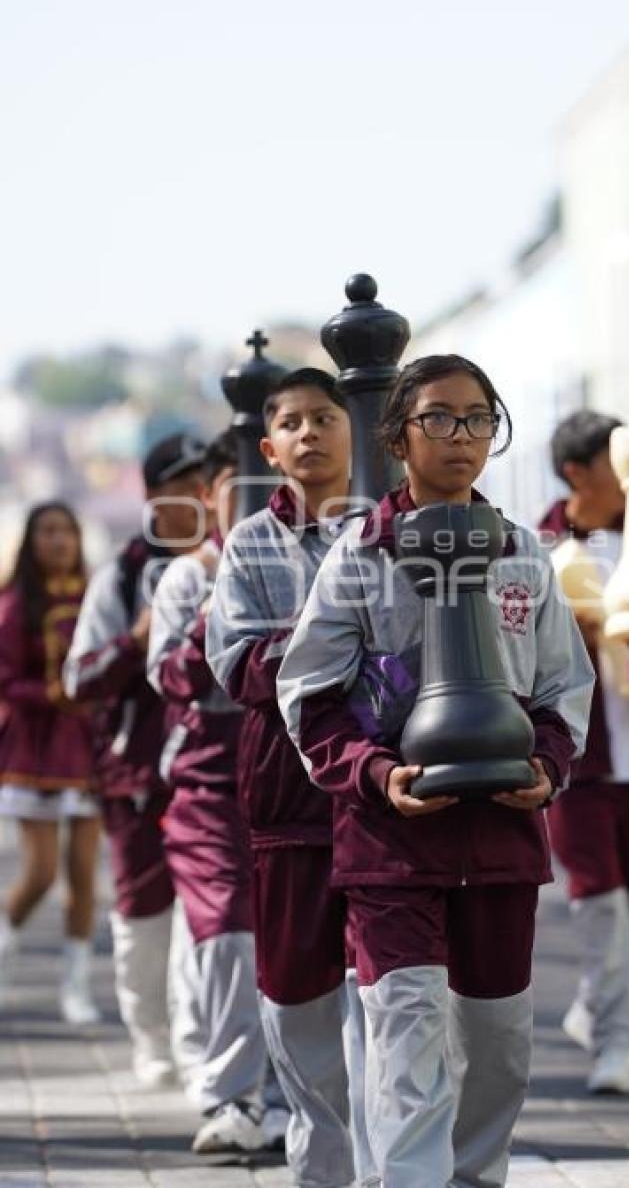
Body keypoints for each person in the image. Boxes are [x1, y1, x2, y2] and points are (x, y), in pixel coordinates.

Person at [277, 354, 594, 1188]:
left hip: (501, 836)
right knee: (403, 1024)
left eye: (479, 419)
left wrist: (548, 764)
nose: (462, 436)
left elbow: (565, 684)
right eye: (440, 418)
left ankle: (474, 1176)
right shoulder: (359, 553)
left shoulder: (525, 552)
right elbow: (309, 693)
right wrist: (375, 774)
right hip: (390, 839)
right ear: (397, 436)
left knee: (499, 1045)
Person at [206, 368, 372, 1188]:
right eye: (293, 423)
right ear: (267, 448)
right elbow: (236, 668)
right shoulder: (247, 543)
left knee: (390, 995)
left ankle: (390, 1166)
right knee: (297, 993)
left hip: (385, 797)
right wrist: (346, 652)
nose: (310, 434)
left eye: (326, 417)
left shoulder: (395, 530)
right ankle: (322, 1166)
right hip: (288, 797)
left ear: (361, 431)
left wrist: (307, 655)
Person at [148, 429, 285, 1155]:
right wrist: (219, 608)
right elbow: (171, 677)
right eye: (241, 486)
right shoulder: (184, 578)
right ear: (211, 495)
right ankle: (232, 1092)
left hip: (288, 776)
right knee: (228, 930)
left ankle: (294, 1092)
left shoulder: (305, 561)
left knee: (295, 935)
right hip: (205, 784)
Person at [64, 432, 208, 1088]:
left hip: (217, 771)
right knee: (145, 917)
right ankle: (151, 1036)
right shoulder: (121, 575)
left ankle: (199, 1041)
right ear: (152, 494)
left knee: (212, 918)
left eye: (210, 481)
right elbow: (81, 677)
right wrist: (137, 639)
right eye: (184, 483)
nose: (199, 497)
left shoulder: (240, 558)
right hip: (138, 777)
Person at [538, 410, 629, 1094]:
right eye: (619, 461)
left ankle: (600, 1006)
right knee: (598, 899)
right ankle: (620, 1044)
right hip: (581, 760)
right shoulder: (541, 547)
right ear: (578, 472)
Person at [0, 502, 99, 1024]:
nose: (58, 541)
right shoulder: (16, 605)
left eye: (67, 531)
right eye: (47, 532)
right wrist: (51, 692)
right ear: (31, 541)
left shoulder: (95, 596)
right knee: (38, 872)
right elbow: (7, 679)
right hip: (35, 748)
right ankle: (4, 936)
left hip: (87, 746)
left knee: (84, 875)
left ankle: (76, 985)